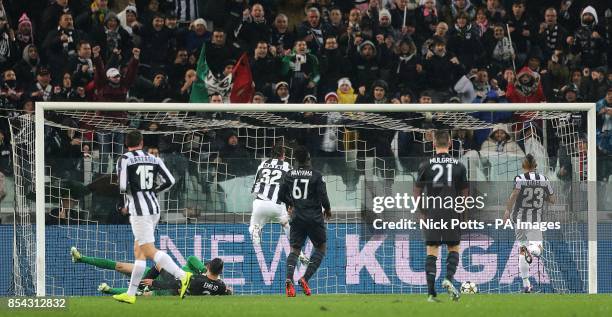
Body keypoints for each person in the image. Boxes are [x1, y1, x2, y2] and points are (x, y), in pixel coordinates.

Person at [113, 130, 190, 304]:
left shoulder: (124, 159)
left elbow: (123, 186)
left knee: (148, 250)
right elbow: (170, 180)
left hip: (140, 211)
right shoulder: (153, 158)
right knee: (139, 252)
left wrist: (124, 203)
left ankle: (182, 276)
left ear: (126, 143)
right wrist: (153, 191)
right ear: (141, 142)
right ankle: (131, 294)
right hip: (154, 207)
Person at [414, 130, 468, 302]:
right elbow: (464, 193)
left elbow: (417, 193)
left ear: (433, 144)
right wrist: (462, 212)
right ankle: (449, 279)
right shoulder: (459, 165)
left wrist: (421, 213)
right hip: (452, 210)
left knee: (432, 250)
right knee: (453, 248)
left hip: (433, 211)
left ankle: (431, 294)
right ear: (450, 144)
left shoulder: (425, 165)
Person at [279, 146, 331, 297]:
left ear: (295, 160)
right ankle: (304, 279)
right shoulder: (316, 175)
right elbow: (323, 195)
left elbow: (281, 194)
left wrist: (291, 203)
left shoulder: (289, 175)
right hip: (314, 217)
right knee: (321, 248)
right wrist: (327, 209)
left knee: (295, 249)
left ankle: (289, 280)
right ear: (309, 159)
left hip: (297, 217)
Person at [503, 154, 555, 293]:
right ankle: (530, 249)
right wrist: (539, 196)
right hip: (533, 220)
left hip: (518, 219)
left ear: (523, 165)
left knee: (521, 249)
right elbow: (552, 199)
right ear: (536, 166)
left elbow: (514, 195)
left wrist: (507, 211)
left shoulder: (519, 178)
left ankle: (526, 285)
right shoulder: (544, 179)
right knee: (538, 249)